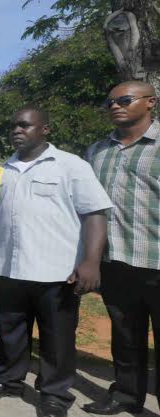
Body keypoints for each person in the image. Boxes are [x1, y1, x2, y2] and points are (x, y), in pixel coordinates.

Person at [0, 107, 113, 417]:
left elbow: (95, 214)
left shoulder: (70, 166)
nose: (17, 130)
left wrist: (91, 262)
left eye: (25, 125)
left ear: (45, 129)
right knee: (10, 330)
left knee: (57, 336)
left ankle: (54, 395)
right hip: (9, 269)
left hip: (57, 270)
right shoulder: (1, 169)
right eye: (14, 125)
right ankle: (8, 380)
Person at [82, 81, 160, 415]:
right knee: (126, 337)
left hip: (157, 260)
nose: (115, 106)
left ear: (150, 102)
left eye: (125, 100)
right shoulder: (96, 151)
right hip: (116, 262)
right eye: (110, 102)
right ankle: (126, 395)